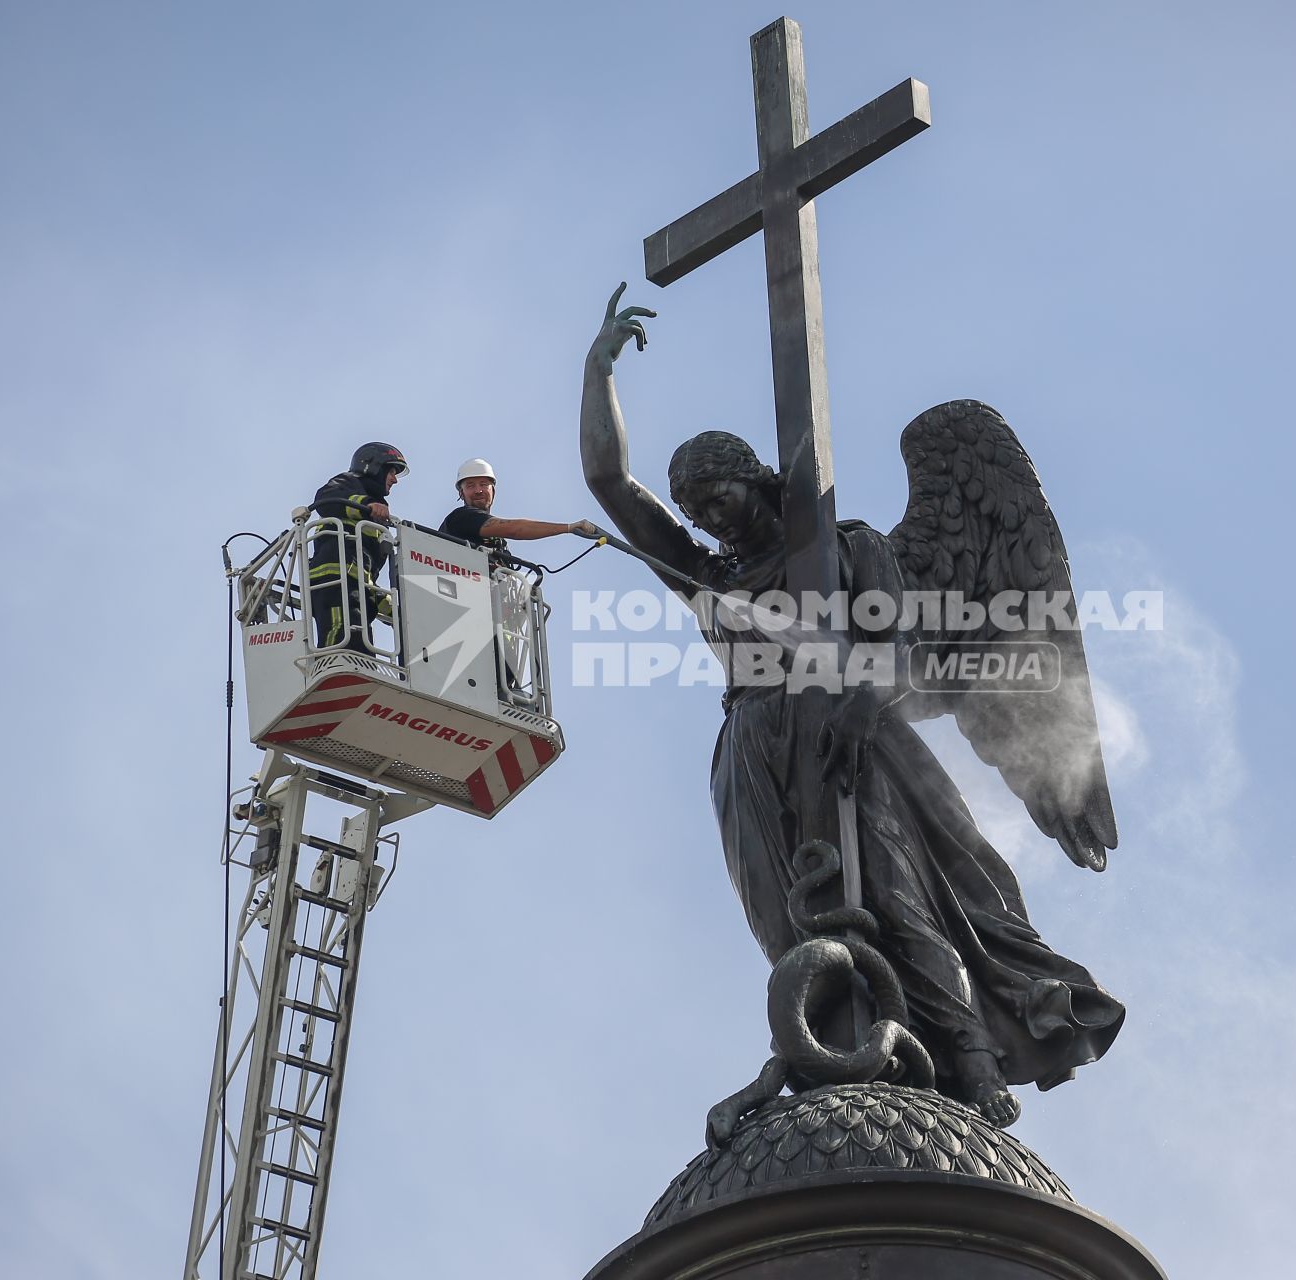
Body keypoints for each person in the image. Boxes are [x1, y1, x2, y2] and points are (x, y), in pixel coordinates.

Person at [578, 286, 1122, 1127]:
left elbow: (900, 648)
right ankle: (834, 1051)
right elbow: (611, 483)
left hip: (853, 734)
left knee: (902, 900)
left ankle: (973, 1068)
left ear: (752, 478)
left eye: (714, 495)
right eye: (692, 510)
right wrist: (597, 371)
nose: (706, 519)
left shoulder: (852, 548)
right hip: (755, 749)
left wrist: (860, 704)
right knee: (789, 922)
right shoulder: (712, 580)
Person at [308, 441, 408, 654]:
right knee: (342, 639)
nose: (395, 480)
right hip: (334, 581)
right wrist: (366, 505)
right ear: (374, 466)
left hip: (354, 587)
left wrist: (398, 611)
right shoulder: (349, 482)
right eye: (391, 471)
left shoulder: (376, 516)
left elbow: (368, 575)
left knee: (362, 645)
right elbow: (326, 500)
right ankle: (335, 669)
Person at [438, 457, 600, 552]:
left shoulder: (498, 543)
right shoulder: (461, 518)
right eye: (470, 486)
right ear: (462, 494)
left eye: (483, 484)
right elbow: (515, 529)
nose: (478, 490)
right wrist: (568, 528)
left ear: (493, 490)